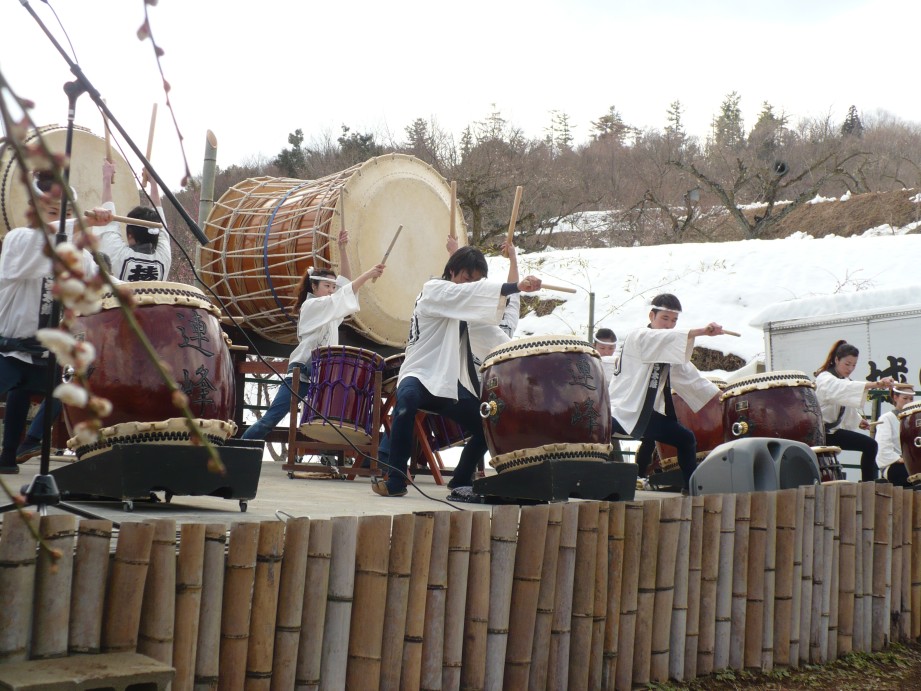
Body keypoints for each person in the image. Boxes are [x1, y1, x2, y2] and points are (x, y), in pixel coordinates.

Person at [372, 246, 542, 497]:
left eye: (475, 281)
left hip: (448, 382)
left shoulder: (466, 310)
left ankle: (461, 478)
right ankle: (395, 478)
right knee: (406, 402)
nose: (469, 285)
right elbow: (471, 294)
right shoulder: (433, 289)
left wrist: (525, 357)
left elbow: (495, 333)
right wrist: (515, 287)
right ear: (451, 272)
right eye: (466, 278)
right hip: (419, 372)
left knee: (488, 425)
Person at [0, 174, 102, 473]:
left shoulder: (77, 256)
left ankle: (25, 445)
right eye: (53, 212)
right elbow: (44, 241)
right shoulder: (18, 240)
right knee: (17, 389)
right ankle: (9, 454)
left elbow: (99, 285)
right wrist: (82, 223)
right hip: (8, 351)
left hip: (45, 354)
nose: (62, 221)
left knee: (69, 386)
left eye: (67, 213)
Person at [242, 230, 384, 440]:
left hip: (323, 374)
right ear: (314, 286)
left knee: (330, 423)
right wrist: (368, 275)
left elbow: (346, 287)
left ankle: (330, 459)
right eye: (327, 286)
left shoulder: (330, 311)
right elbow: (343, 294)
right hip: (303, 372)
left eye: (332, 287)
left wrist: (342, 250)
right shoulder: (312, 306)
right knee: (271, 419)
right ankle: (239, 451)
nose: (331, 290)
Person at [607, 293, 725, 492]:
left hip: (643, 414)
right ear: (651, 316)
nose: (670, 325)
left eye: (674, 320)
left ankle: (692, 489)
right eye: (665, 318)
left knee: (685, 438)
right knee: (597, 436)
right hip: (621, 408)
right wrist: (701, 331)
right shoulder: (639, 337)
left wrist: (721, 396)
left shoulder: (668, 350)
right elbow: (661, 338)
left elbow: (689, 376)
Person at [814, 340, 895, 482]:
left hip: (832, 433)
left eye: (854, 365)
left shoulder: (843, 379)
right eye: (847, 364)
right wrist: (878, 384)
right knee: (870, 445)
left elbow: (846, 399)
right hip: (820, 434)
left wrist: (859, 421)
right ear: (836, 360)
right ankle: (868, 483)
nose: (850, 368)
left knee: (870, 445)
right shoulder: (825, 378)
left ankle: (868, 484)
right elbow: (844, 388)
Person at [93, 160, 172, 282]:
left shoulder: (119, 255)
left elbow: (106, 220)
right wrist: (154, 184)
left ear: (130, 235)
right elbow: (161, 226)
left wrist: (106, 178)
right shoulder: (163, 258)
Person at [874, 383, 916, 486]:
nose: (908, 402)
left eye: (911, 399)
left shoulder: (915, 419)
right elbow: (883, 447)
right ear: (895, 397)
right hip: (894, 464)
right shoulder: (886, 418)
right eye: (905, 398)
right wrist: (902, 459)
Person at [594, 327, 625, 462]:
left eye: (611, 348)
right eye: (602, 348)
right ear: (594, 346)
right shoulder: (586, 363)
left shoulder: (619, 364)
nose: (607, 353)